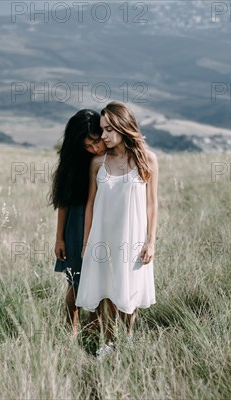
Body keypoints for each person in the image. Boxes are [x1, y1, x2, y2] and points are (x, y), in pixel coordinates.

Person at [76, 101, 159, 357]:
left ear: (124, 127)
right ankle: (110, 343)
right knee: (107, 289)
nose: (104, 136)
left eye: (110, 129)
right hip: (102, 236)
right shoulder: (97, 163)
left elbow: (152, 204)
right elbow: (90, 204)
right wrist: (86, 242)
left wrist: (150, 241)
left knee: (129, 290)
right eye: (102, 129)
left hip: (132, 236)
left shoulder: (147, 159)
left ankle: (129, 342)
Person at [50, 109, 107, 336]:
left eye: (96, 141)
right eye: (88, 146)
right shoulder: (74, 163)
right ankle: (70, 331)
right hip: (76, 224)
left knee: (100, 280)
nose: (95, 149)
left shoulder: (112, 157)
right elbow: (63, 202)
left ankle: (95, 329)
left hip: (102, 223)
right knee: (76, 280)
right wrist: (59, 238)